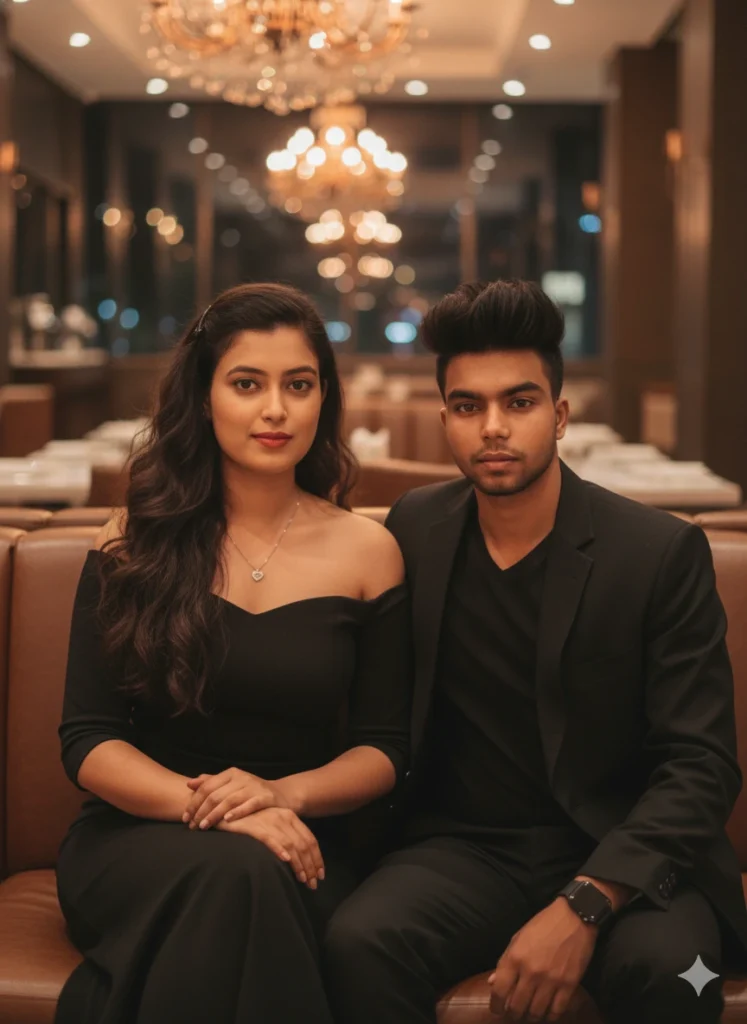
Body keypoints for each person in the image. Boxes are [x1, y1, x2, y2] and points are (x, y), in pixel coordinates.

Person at [326, 279, 747, 1024]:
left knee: (673, 972)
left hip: (624, 849)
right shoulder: (413, 529)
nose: (492, 427)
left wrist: (586, 901)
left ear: (557, 416)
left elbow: (701, 762)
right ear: (445, 419)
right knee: (358, 941)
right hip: (461, 850)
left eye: (517, 403)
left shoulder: (655, 551)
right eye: (467, 406)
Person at [55, 282, 410, 1024]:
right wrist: (216, 810)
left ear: (325, 400)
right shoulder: (131, 540)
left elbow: (383, 749)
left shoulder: (369, 551)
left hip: (302, 840)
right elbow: (88, 740)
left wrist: (282, 797)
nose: (275, 409)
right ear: (205, 395)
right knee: (240, 873)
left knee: (252, 877)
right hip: (138, 838)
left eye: (299, 385)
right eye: (247, 383)